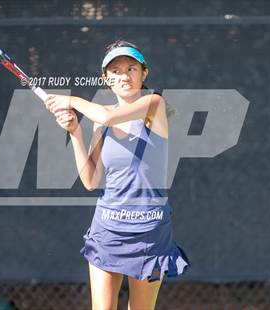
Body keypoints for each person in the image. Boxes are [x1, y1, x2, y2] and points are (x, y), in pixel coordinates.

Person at [43, 40, 190, 310]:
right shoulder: (100, 121)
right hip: (108, 229)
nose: (124, 75)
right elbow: (90, 181)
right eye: (115, 70)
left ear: (144, 73)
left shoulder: (153, 103)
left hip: (150, 229)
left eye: (131, 68)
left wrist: (71, 99)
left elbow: (107, 116)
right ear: (106, 78)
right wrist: (75, 132)